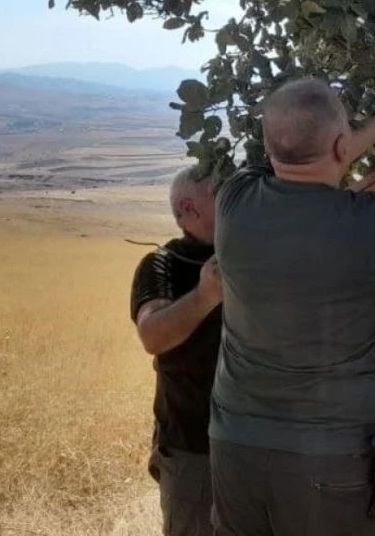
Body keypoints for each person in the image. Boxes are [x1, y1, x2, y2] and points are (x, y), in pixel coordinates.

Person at [208, 77, 375, 536]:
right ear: (343, 144)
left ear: (269, 146)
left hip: (235, 448)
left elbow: (313, 184)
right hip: (335, 457)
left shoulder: (234, 201)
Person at [129, 166, 223, 536]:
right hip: (194, 445)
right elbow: (152, 335)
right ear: (188, 207)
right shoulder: (162, 264)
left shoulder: (251, 253)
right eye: (221, 191)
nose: (234, 197)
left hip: (259, 439)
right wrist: (205, 296)